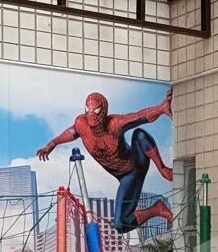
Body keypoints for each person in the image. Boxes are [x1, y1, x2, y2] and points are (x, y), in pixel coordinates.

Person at [36, 90, 174, 232]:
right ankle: (157, 209)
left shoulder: (114, 124)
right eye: (88, 109)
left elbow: (139, 116)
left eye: (95, 110)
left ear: (103, 111)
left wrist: (161, 108)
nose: (91, 113)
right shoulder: (81, 124)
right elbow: (70, 133)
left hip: (135, 165)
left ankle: (163, 169)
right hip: (124, 178)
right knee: (121, 224)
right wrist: (52, 144)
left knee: (139, 134)